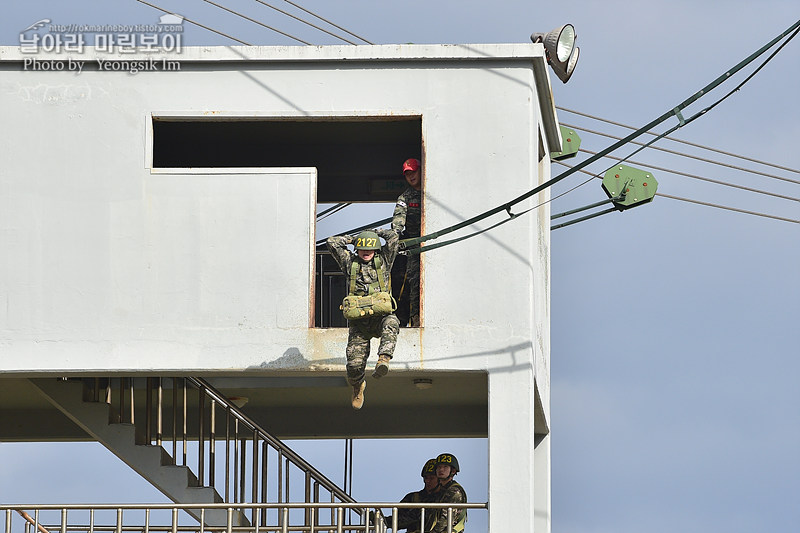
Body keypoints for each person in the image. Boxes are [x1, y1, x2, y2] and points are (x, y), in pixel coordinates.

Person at [326, 228, 400, 409]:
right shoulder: (349, 262)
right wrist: (355, 239)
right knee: (353, 365)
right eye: (362, 249)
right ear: (357, 250)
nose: (366, 252)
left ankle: (384, 359)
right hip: (360, 324)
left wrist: (374, 233)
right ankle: (358, 385)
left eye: (370, 248)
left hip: (381, 317)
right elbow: (332, 242)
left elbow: (393, 237)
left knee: (392, 322)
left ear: (376, 249)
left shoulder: (384, 260)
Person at [392, 158, 423, 327]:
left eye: (414, 172)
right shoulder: (405, 197)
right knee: (413, 278)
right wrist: (395, 235)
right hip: (414, 245)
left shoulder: (433, 192)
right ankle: (416, 317)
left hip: (436, 243)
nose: (411, 176)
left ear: (421, 171)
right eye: (407, 174)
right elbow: (398, 220)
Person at [383, 458, 440, 532]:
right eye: (426, 478)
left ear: (439, 479)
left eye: (432, 478)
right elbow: (398, 520)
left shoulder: (444, 497)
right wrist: (381, 520)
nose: (427, 481)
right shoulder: (413, 498)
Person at [431, 453, 467, 533]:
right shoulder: (442, 490)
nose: (441, 470)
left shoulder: (455, 491)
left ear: (453, 471)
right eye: (439, 467)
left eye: (445, 467)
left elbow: (445, 519)